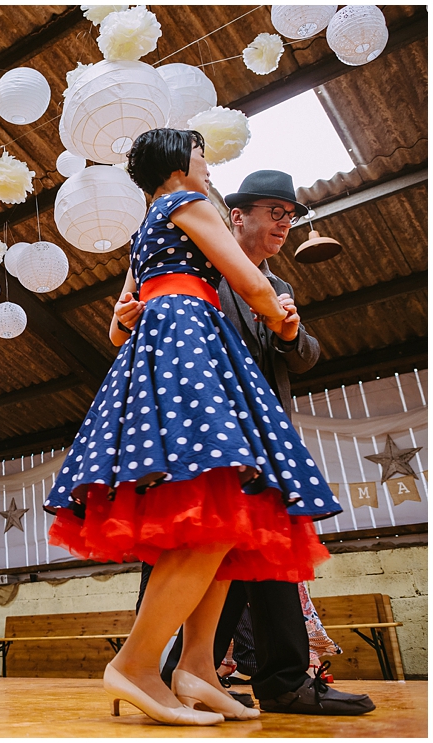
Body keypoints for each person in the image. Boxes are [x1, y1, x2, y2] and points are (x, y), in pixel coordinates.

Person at [45, 130, 342, 726]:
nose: (209, 168)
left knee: (222, 522)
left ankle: (198, 668)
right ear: (181, 165)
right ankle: (136, 664)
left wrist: (137, 315)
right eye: (203, 157)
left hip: (162, 345)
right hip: (193, 340)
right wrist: (278, 312)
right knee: (220, 509)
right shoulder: (188, 202)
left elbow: (114, 332)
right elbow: (248, 280)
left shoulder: (144, 230)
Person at [138, 171, 375, 716]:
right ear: (236, 216)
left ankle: (276, 679)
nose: (284, 224)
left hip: (266, 433)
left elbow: (306, 355)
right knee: (194, 551)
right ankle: (161, 670)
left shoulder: (283, 288)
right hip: (210, 432)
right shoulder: (200, 273)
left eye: (290, 216)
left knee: (265, 556)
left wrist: (291, 334)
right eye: (274, 211)